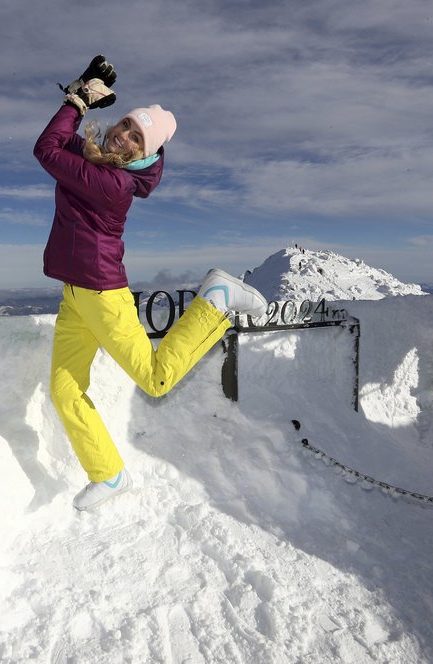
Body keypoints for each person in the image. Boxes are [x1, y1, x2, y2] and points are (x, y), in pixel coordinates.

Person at [33, 56, 268, 511]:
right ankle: (110, 475)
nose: (122, 134)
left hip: (102, 294)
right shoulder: (96, 160)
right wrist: (83, 92)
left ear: (145, 152)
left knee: (156, 379)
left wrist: (77, 102)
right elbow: (59, 146)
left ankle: (216, 299)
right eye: (124, 124)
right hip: (75, 295)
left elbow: (46, 150)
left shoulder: (113, 183)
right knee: (65, 390)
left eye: (136, 136)